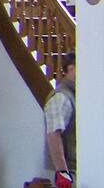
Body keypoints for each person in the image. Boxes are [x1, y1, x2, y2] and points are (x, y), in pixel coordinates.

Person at [44, 52, 76, 187]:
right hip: (71, 173)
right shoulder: (61, 97)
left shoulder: (77, 95)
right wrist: (63, 174)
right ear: (71, 69)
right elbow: (54, 134)